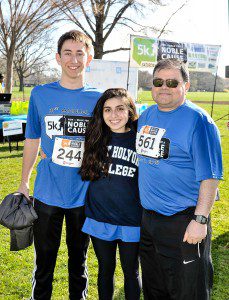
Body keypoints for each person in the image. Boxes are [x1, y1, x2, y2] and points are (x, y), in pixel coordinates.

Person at [17, 30, 102, 300]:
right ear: (58, 57)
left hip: (84, 194)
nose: (74, 59)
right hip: (47, 193)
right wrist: (23, 182)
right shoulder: (40, 94)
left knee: (79, 264)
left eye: (80, 53)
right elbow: (32, 138)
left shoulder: (100, 98)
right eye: (68, 53)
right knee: (44, 264)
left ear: (89, 58)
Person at [136, 58, 223, 300]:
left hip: (184, 222)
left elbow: (211, 175)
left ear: (186, 85)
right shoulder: (146, 116)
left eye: (172, 82)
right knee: (154, 288)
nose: (164, 87)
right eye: (158, 81)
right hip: (149, 220)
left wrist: (200, 219)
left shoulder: (199, 121)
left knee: (188, 291)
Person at [80, 88, 142, 300]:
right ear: (101, 112)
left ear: (130, 111)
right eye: (108, 110)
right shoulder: (95, 137)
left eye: (120, 109)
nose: (113, 115)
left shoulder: (139, 139)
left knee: (131, 272)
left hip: (131, 219)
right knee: (105, 270)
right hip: (100, 218)